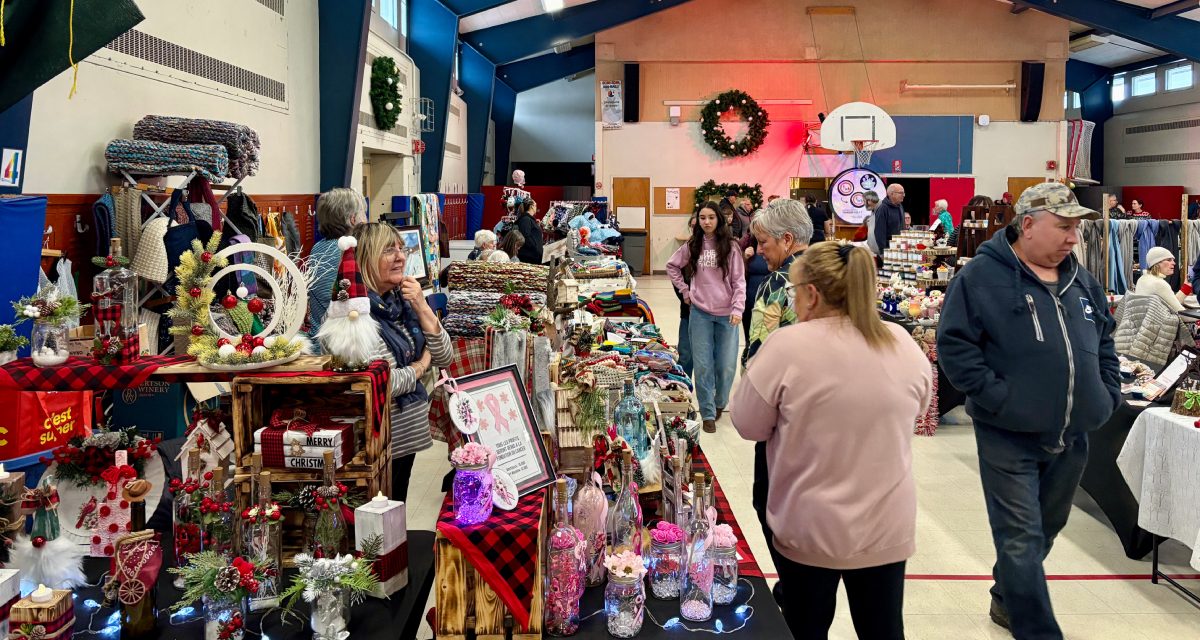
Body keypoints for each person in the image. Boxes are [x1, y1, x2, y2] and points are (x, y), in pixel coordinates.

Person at [938, 182, 1120, 640]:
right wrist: (999, 399)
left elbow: (1104, 341)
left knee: (1047, 527)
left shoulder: (1083, 282)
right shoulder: (980, 278)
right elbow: (955, 348)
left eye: (1076, 228)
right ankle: (1038, 630)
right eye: (1063, 227)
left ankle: (1006, 597)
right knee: (1020, 537)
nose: (1072, 238)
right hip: (1007, 434)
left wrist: (1107, 392)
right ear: (1028, 225)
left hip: (1074, 434)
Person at [731, 242, 931, 640]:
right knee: (884, 629)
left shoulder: (788, 345)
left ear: (811, 293)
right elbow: (921, 407)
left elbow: (748, 423)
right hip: (885, 525)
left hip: (810, 526)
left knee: (805, 627)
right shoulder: (899, 340)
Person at [741, 199, 813, 598]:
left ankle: (792, 585)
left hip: (784, 415)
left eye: (764, 241)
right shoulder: (835, 274)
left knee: (766, 499)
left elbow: (759, 354)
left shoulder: (777, 284)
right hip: (826, 414)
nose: (759, 250)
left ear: (787, 240)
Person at [353, 223, 455, 503]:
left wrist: (422, 307)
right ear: (365, 257)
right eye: (389, 250)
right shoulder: (356, 315)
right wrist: (422, 366)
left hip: (403, 439)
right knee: (378, 528)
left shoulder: (402, 302)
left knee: (396, 517)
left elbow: (445, 357)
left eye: (402, 248)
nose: (400, 256)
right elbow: (383, 382)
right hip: (378, 443)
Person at [667, 202, 746, 433]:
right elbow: (672, 266)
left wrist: (737, 308)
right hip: (699, 313)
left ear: (719, 219)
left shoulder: (731, 247)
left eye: (711, 217)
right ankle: (708, 412)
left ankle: (720, 402)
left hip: (726, 316)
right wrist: (685, 291)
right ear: (698, 221)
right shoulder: (693, 245)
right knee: (702, 366)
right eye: (703, 217)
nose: (707, 222)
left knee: (725, 366)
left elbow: (739, 281)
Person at [308, 188, 366, 343]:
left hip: (318, 339)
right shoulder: (352, 251)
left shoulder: (317, 248)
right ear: (353, 219)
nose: (366, 219)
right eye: (364, 214)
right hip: (344, 345)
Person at [1135, 246, 1186, 312]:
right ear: (1157, 263)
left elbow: (1172, 304)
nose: (1174, 263)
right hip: (1156, 322)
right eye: (1169, 260)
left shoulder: (1142, 279)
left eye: (1173, 260)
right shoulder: (1159, 283)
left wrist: (1186, 288)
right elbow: (1180, 313)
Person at [872, 184, 905, 254]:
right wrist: (883, 252)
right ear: (891, 194)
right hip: (888, 250)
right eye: (901, 193)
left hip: (899, 248)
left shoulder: (900, 206)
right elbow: (879, 233)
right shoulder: (883, 209)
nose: (904, 195)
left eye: (903, 193)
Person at [514, 200, 544, 264]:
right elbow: (526, 237)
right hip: (529, 256)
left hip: (531, 255)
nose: (536, 208)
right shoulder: (526, 219)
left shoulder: (528, 219)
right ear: (532, 207)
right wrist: (536, 249)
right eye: (535, 205)